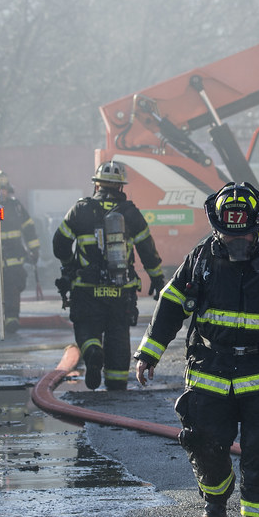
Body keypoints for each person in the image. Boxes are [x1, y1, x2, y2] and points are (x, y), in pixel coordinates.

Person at [134, 181, 259, 517]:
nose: (237, 243)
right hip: (210, 369)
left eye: (246, 236)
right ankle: (216, 495)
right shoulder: (201, 257)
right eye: (227, 234)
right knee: (201, 440)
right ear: (216, 226)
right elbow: (170, 305)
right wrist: (148, 353)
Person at [53, 161, 164, 390]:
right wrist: (157, 279)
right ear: (120, 187)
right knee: (118, 337)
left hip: (86, 288)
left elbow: (59, 243)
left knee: (86, 328)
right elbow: (148, 252)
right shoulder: (131, 213)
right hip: (120, 290)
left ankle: (93, 351)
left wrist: (70, 266)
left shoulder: (81, 210)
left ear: (97, 185)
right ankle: (116, 385)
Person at [0, 171, 40, 334]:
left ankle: (12, 319)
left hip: (14, 259)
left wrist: (34, 250)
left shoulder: (16, 207)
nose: (1, 192)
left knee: (13, 288)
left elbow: (29, 229)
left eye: (4, 189)